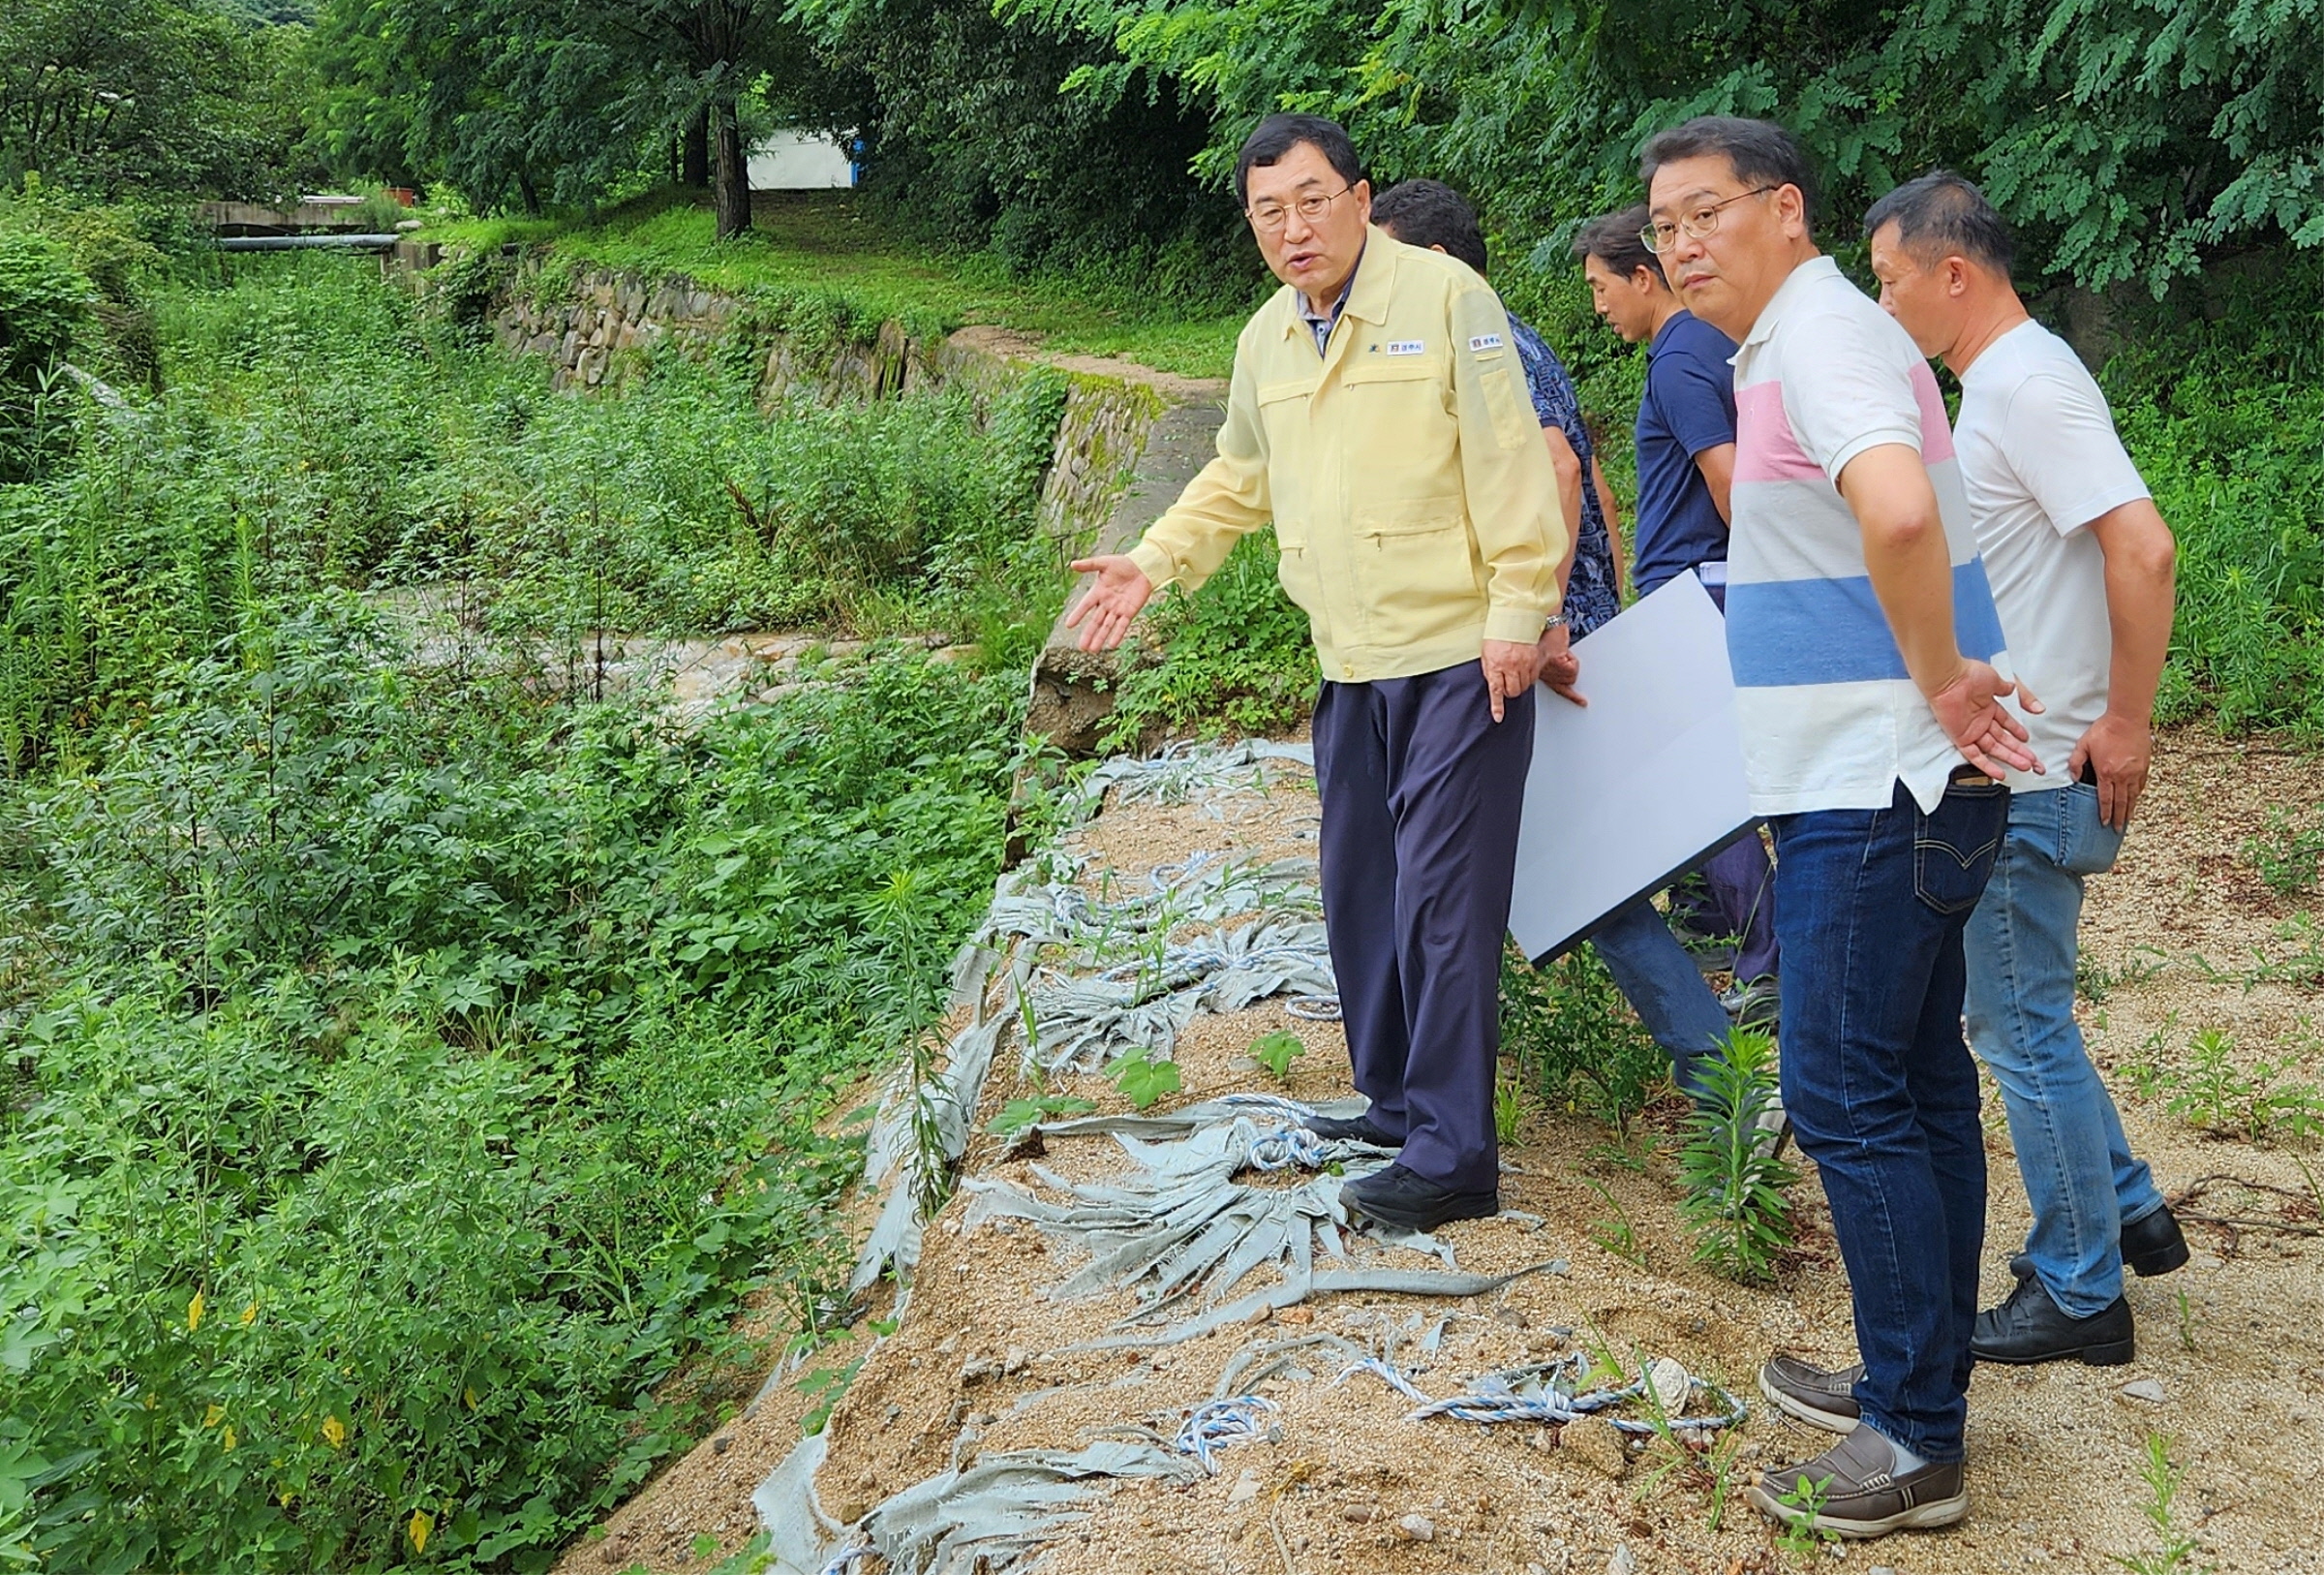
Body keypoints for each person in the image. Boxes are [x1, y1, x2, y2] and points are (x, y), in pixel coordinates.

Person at [1638, 114, 2040, 1539]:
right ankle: (1910, 1377)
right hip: (1894, 779)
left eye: (1705, 215)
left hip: (1876, 783)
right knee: (1918, 1084)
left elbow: (1894, 511)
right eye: (1663, 225)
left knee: (1843, 1091)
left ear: (1786, 210)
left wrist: (1935, 677)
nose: (1680, 245)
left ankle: (1917, 1440)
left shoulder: (1816, 339)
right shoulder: (1811, 339)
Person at [1064, 114, 1568, 1233]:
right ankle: (1396, 1103)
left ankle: (1454, 1157)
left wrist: (1518, 614)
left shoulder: (1444, 302)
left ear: (1358, 196)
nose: (1293, 229)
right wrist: (1153, 561)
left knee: (1444, 907)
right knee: (1362, 895)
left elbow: (1513, 461)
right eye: (1267, 211)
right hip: (1349, 663)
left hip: (1456, 659)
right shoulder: (1266, 340)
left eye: (1311, 200)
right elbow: (1241, 474)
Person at [1865, 171, 2186, 1367]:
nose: (1883, 304)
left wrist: (2126, 722)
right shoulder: (1997, 383)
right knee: (2026, 1011)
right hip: (2029, 750)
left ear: (1955, 273)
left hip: (2038, 765)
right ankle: (2131, 1208)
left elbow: (2142, 548)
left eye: (1892, 281)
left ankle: (2079, 1288)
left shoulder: (2028, 383)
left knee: (2016, 1028)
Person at [1367, 176, 1736, 1104]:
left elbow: (1564, 468)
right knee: (1540, 861)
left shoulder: (1482, 341)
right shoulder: (1479, 342)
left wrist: (1541, 617)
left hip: (1521, 650)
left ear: (1437, 263)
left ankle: (1720, 1071)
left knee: (1567, 869)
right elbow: (1591, 478)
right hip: (1518, 639)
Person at [1574, 205, 1782, 1030]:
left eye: (1601, 287)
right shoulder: (1693, 347)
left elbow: (1732, 483)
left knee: (1710, 794)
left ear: (1642, 276)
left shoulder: (1684, 356)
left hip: (1701, 590)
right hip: (1696, 586)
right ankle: (1741, 934)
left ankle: (1767, 957)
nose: (1598, 307)